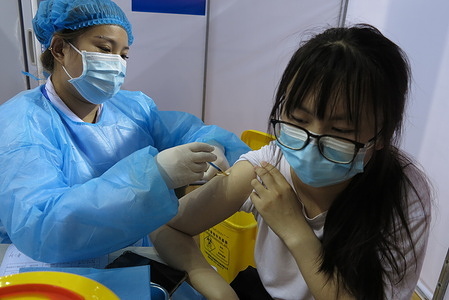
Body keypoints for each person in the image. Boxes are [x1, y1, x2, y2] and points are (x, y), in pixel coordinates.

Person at [150, 24, 433, 300]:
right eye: (298, 120)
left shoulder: (403, 194)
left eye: (340, 131)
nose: (312, 142)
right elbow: (167, 227)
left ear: (382, 136)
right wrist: (218, 289)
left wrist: (295, 229)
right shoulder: (267, 166)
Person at [0, 0, 250, 263]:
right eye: (105, 49)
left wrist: (212, 145)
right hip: (55, 265)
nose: (116, 63)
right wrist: (154, 175)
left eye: (123, 55)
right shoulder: (21, 124)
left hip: (131, 252)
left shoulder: (132, 108)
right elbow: (43, 225)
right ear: (60, 48)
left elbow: (185, 131)